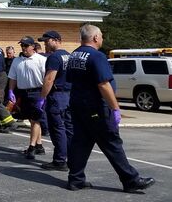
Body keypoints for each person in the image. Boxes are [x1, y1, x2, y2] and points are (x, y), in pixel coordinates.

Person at [66, 24, 154, 192]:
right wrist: (115, 108)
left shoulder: (74, 55)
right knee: (111, 142)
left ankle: (75, 180)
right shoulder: (97, 56)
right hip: (96, 107)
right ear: (95, 38)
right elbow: (104, 84)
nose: (102, 39)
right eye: (101, 37)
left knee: (80, 143)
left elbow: (71, 79)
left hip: (78, 105)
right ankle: (131, 180)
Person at [8, 36, 47, 159]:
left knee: (35, 120)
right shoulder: (16, 61)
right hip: (23, 93)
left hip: (37, 92)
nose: (23, 48)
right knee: (32, 119)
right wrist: (10, 90)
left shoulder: (41, 60)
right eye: (22, 46)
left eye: (26, 45)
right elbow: (13, 78)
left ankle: (32, 147)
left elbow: (47, 79)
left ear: (32, 47)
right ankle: (39, 145)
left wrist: (44, 96)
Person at [37, 31, 71, 171]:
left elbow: (49, 79)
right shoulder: (69, 56)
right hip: (69, 95)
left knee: (57, 129)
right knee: (69, 129)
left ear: (57, 40)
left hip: (57, 96)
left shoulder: (54, 57)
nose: (45, 43)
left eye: (47, 40)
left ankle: (59, 161)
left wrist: (42, 98)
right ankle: (71, 158)